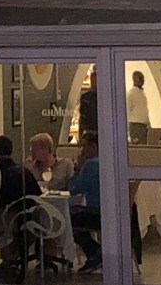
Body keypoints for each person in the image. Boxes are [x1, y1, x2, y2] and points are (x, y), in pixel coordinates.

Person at [0, 135, 40, 280]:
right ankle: (12, 259)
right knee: (29, 227)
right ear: (11, 150)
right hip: (23, 221)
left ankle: (9, 260)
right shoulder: (24, 173)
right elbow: (37, 197)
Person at [69, 130, 102, 273]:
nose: (82, 150)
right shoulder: (109, 161)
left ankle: (94, 252)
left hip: (98, 213)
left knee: (68, 219)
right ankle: (95, 252)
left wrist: (78, 168)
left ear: (94, 146)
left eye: (84, 146)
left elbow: (74, 189)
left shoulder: (91, 165)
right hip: (112, 213)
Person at [127, 70, 150, 144]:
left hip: (144, 125)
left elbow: (144, 109)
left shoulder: (142, 93)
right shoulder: (131, 93)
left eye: (142, 78)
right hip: (136, 125)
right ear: (134, 79)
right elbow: (127, 110)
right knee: (138, 146)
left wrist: (148, 122)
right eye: (140, 78)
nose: (142, 80)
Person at [78, 66, 98, 141]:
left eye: (95, 80)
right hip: (89, 132)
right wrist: (80, 134)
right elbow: (82, 117)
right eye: (93, 80)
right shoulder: (85, 97)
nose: (94, 83)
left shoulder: (104, 97)